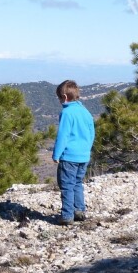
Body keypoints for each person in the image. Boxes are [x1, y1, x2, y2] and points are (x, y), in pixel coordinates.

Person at [52, 80, 95, 225]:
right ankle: (79, 211)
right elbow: (91, 133)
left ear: (64, 97)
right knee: (77, 183)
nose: (59, 101)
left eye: (59, 98)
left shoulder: (67, 112)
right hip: (83, 156)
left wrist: (56, 154)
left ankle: (67, 216)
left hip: (69, 157)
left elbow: (63, 136)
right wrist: (86, 150)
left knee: (67, 186)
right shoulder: (85, 111)